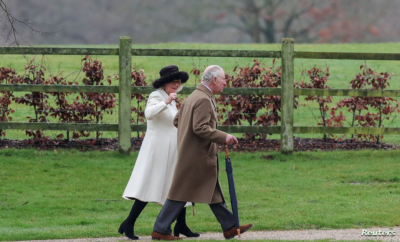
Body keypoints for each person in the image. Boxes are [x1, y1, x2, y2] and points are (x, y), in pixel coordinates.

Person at [151, 65, 253, 241]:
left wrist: (187, 137)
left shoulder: (194, 96)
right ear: (214, 80)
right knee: (180, 193)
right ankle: (160, 230)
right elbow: (200, 128)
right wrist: (224, 137)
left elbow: (177, 120)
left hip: (195, 154)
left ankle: (229, 226)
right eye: (223, 79)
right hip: (197, 156)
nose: (225, 82)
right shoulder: (204, 99)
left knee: (211, 189)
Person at [119, 65, 199, 240]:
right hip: (158, 150)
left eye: (178, 82)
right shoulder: (157, 96)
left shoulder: (173, 99)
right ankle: (129, 222)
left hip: (173, 149)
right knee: (149, 186)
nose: (176, 85)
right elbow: (149, 114)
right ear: (164, 83)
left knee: (176, 185)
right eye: (173, 82)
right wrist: (167, 102)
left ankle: (181, 224)